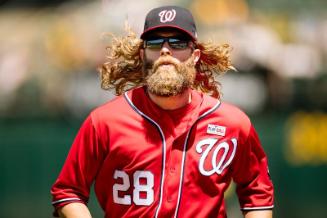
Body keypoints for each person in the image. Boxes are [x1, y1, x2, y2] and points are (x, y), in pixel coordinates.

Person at [51, 5, 274, 218]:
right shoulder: (105, 121)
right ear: (142, 55)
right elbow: (68, 191)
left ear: (195, 56)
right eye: (155, 43)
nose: (165, 50)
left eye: (177, 43)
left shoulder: (231, 123)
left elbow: (257, 192)